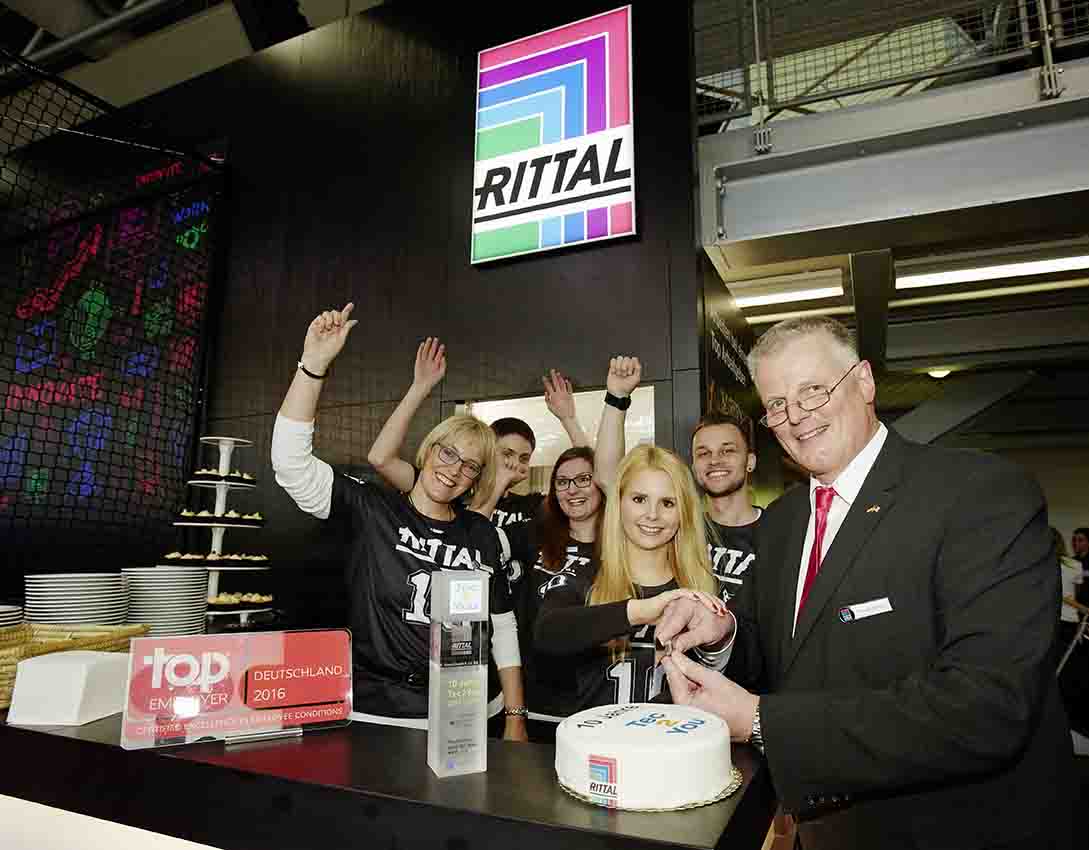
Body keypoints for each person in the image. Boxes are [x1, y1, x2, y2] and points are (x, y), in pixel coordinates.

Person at [656, 316, 1076, 849]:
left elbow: (988, 707)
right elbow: (774, 654)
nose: (796, 416)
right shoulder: (782, 522)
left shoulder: (979, 493)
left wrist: (763, 723)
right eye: (777, 404)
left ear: (865, 381)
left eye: (813, 390)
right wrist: (721, 633)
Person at [270, 304, 526, 740]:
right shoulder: (374, 511)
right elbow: (291, 464)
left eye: (470, 466)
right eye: (448, 453)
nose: (454, 470)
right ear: (428, 450)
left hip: (468, 716)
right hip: (381, 713)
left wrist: (516, 716)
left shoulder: (482, 534)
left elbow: (501, 626)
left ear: (476, 479)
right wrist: (312, 366)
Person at [534, 444, 727, 712]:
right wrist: (641, 611)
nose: (652, 514)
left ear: (684, 512)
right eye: (639, 499)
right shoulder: (583, 577)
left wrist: (721, 637)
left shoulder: (702, 588)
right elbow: (547, 634)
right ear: (619, 503)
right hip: (598, 737)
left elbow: (744, 676)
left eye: (668, 503)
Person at [367, 339, 587, 528]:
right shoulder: (449, 487)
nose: (514, 464)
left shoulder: (530, 506)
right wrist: (419, 387)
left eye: (523, 458)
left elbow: (592, 485)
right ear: (486, 455)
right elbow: (381, 459)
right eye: (507, 454)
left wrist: (569, 419)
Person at [594, 357, 762, 601]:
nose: (715, 460)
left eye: (727, 451)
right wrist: (616, 398)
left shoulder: (778, 531)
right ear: (693, 466)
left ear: (750, 461)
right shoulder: (679, 525)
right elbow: (610, 477)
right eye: (703, 453)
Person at [498, 446, 605, 740]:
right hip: (537, 701)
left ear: (601, 483)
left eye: (584, 479)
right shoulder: (536, 534)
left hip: (595, 704)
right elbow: (474, 538)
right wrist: (497, 483)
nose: (572, 489)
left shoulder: (621, 546)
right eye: (562, 482)